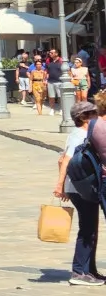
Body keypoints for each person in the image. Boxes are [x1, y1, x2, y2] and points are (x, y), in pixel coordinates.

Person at [56, 100, 103, 286]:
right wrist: (60, 185)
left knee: (91, 228)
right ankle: (78, 272)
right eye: (93, 113)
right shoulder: (80, 134)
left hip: (79, 186)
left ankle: (89, 270)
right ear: (83, 118)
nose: (96, 116)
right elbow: (65, 160)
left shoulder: (83, 133)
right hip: (80, 187)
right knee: (87, 229)